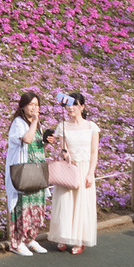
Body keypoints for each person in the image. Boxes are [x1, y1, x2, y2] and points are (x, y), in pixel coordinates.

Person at [48, 92, 99, 254]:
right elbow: (63, 150)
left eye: (75, 105)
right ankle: (63, 237)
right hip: (69, 168)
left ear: (82, 107)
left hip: (84, 169)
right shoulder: (62, 126)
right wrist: (65, 154)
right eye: (68, 104)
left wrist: (90, 173)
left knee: (81, 204)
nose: (71, 108)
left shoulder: (91, 127)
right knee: (65, 202)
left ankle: (79, 239)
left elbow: (94, 153)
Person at [6, 93, 50, 256]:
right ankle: (17, 242)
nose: (34, 108)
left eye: (37, 105)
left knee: (36, 206)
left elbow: (37, 145)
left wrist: (46, 142)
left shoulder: (35, 124)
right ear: (23, 106)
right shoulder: (19, 123)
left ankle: (30, 239)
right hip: (24, 172)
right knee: (23, 206)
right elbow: (27, 140)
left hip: (36, 171)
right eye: (31, 104)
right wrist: (35, 122)